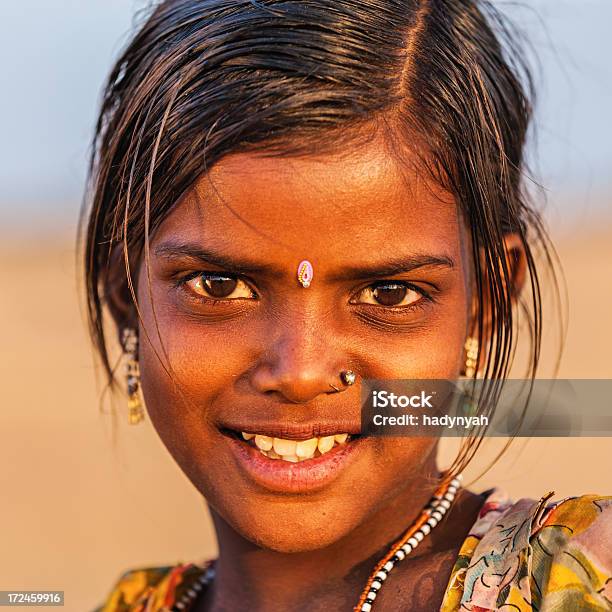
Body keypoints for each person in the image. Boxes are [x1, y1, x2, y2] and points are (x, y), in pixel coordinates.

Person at [84, 0, 611, 610]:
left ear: (484, 303)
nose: (301, 372)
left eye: (389, 294)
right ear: (125, 293)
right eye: (220, 286)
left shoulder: (580, 582)